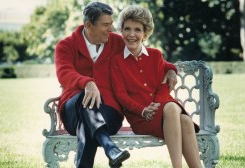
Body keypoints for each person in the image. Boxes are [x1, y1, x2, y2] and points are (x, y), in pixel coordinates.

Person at [55, 2, 177, 168]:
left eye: (111, 24)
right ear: (89, 25)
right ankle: (109, 147)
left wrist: (170, 69)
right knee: (85, 98)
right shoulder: (66, 46)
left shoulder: (117, 42)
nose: (111, 29)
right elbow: (64, 73)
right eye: (106, 25)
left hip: (109, 113)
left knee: (87, 122)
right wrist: (87, 83)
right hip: (73, 112)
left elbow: (146, 55)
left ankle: (111, 151)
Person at [110, 5, 201, 168]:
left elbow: (164, 86)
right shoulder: (116, 61)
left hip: (164, 111)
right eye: (127, 29)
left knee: (185, 120)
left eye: (137, 30)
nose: (132, 34)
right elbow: (120, 95)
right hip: (140, 118)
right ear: (121, 31)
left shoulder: (155, 55)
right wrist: (143, 110)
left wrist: (157, 104)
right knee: (174, 110)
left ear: (145, 34)